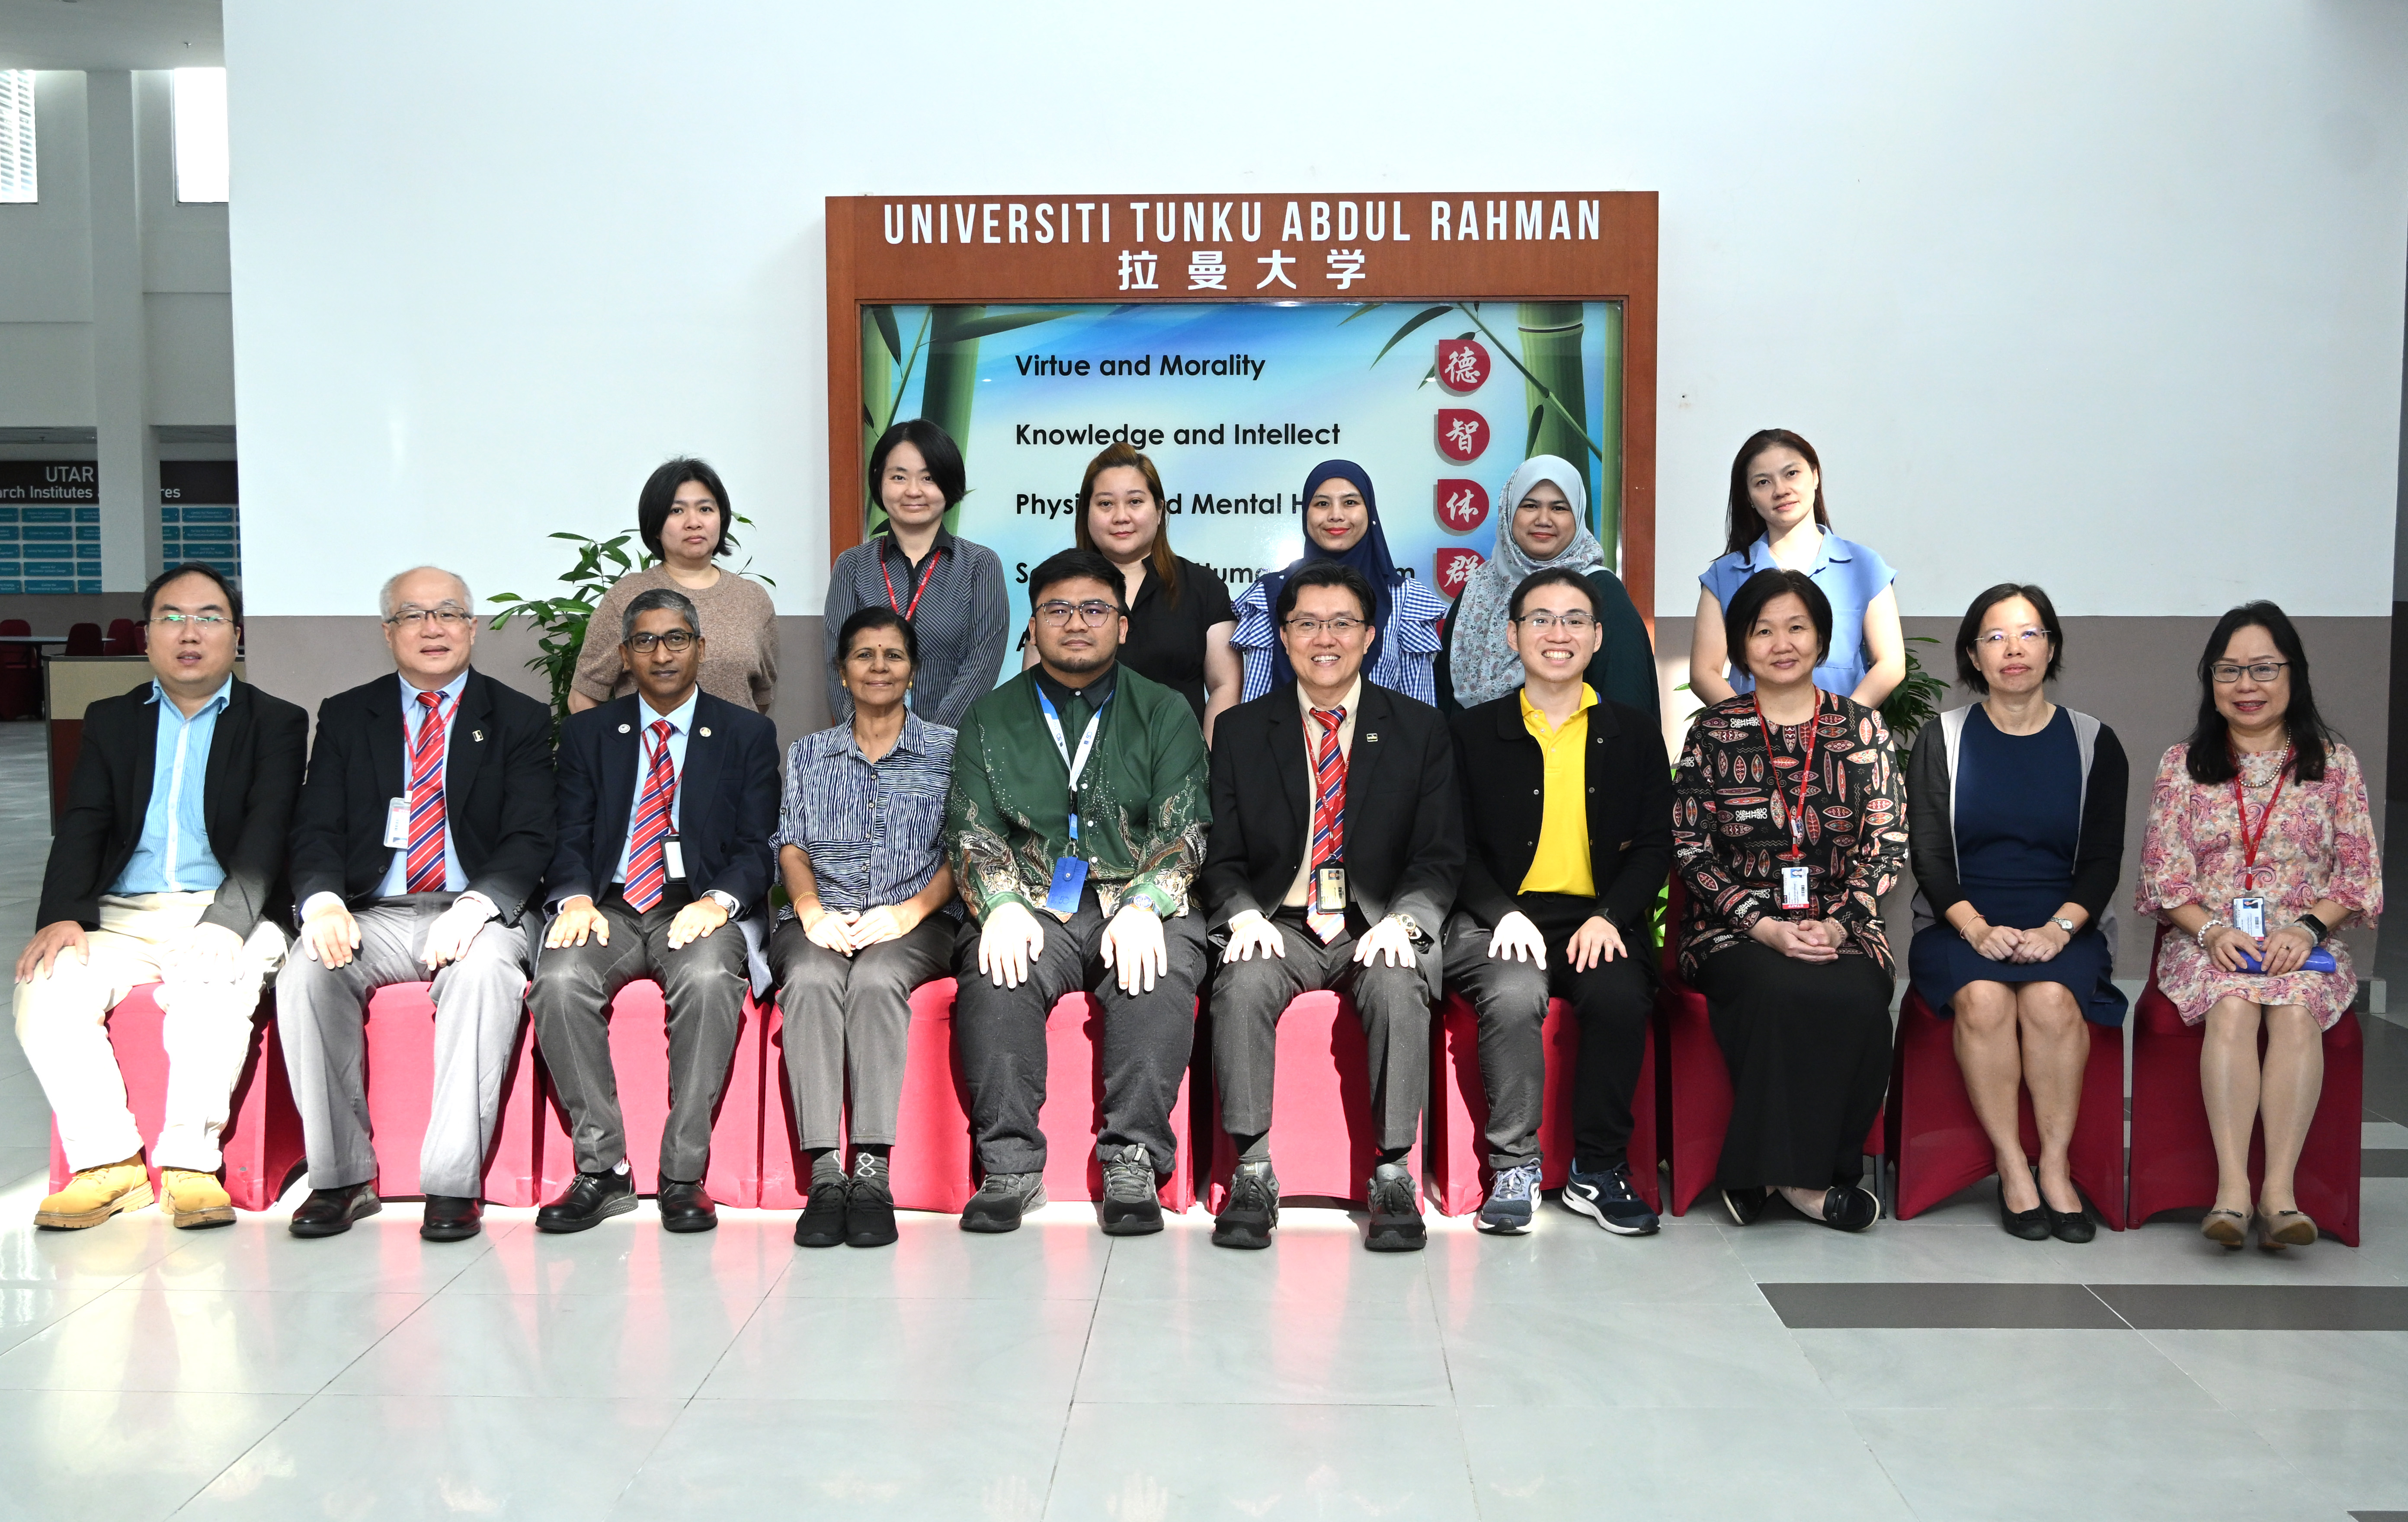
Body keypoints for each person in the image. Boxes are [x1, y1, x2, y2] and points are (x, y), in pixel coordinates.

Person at [14, 563, 307, 1229]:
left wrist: (227, 921)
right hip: (121, 914)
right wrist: (60, 915)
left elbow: (267, 834)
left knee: (214, 983)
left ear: (236, 635)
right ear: (146, 636)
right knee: (45, 985)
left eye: (208, 618)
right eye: (171, 618)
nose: (189, 633)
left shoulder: (276, 722)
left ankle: (190, 1163)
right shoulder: (111, 720)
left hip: (227, 906)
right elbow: (83, 824)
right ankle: (109, 1162)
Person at [277, 566, 557, 1242]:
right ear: (388, 632)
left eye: (448, 613)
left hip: (477, 912)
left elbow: (531, 835)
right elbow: (315, 826)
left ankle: (452, 1184)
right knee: (307, 971)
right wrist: (322, 903)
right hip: (374, 911)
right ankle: (340, 1178)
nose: (433, 628)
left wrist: (478, 906)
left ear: (472, 627)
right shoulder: (349, 715)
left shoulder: (518, 717)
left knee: (485, 973)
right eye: (413, 615)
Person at [945, 548, 1210, 1237]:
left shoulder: (1166, 711)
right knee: (995, 972)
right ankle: (1009, 1168)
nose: (1076, 623)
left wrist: (1148, 903)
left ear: (1122, 625)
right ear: (1032, 626)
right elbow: (972, 831)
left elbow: (1186, 827)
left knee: (1158, 972)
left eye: (1095, 609)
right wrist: (1000, 905)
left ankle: (1133, 1161)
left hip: (1135, 896)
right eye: (1057, 610)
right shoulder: (988, 718)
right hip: (1034, 898)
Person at [1201, 561, 1463, 1253]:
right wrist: (1242, 913)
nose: (1326, 639)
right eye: (1307, 624)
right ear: (1283, 637)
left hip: (1374, 923)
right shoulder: (1241, 731)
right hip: (1279, 921)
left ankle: (1394, 1174)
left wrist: (1405, 921)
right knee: (1242, 982)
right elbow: (1219, 853)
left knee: (1398, 983)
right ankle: (1252, 1171)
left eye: (1342, 623)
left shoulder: (1419, 729)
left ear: (1371, 636)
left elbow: (1439, 854)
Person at [530, 588, 779, 1234]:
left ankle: (683, 1175)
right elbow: (567, 833)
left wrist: (718, 901)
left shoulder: (746, 733)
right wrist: (574, 895)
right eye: (644, 641)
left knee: (708, 978)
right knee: (558, 981)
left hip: (696, 906)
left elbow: (759, 846)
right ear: (624, 655)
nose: (661, 654)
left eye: (676, 639)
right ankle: (603, 1168)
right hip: (607, 906)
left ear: (700, 647)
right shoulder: (588, 734)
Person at [2136, 601, 2379, 1250]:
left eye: (2264, 668)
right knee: (2234, 1004)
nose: (2246, 685)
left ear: (2294, 674)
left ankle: (2280, 1195)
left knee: (2296, 1009)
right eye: (2229, 670)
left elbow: (2358, 875)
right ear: (2211, 681)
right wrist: (2214, 932)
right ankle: (2232, 1194)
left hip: (2305, 939)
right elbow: (2164, 879)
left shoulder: (2334, 764)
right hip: (2207, 940)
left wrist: (2308, 929)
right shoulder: (2182, 764)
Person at [1672, 567, 1905, 1232]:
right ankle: (1810, 1184)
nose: (1782, 644)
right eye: (1763, 631)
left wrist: (1839, 925)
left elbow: (1888, 844)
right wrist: (1764, 926)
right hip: (1732, 929)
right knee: (1778, 987)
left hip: (1843, 924)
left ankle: (1764, 1175)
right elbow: (1690, 847)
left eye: (1797, 628)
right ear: (1741, 648)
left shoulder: (1861, 730)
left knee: (1858, 996)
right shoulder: (1714, 732)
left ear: (1822, 639)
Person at [1444, 566, 1671, 1236]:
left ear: (1598, 637)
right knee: (1514, 992)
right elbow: (1452, 846)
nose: (1557, 633)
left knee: (1620, 994)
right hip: (1500, 917)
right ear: (1512, 636)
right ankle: (1514, 1166)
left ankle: (1597, 1169)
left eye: (1575, 620)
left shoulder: (1634, 733)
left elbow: (1655, 845)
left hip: (1597, 917)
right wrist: (1502, 913)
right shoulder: (1471, 733)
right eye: (1540, 619)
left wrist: (1613, 916)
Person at [1906, 584, 2126, 1244]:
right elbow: (1929, 856)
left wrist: (2059, 930)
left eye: (2029, 633)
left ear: (2051, 647)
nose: (2014, 649)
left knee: (2052, 1002)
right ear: (1973, 656)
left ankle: (2055, 1167)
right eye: (1996, 637)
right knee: (1984, 999)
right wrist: (1976, 928)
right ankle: (2012, 1167)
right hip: (1960, 923)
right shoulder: (1942, 738)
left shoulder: (2094, 742)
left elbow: (2102, 861)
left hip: (2064, 924)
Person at [772, 607, 958, 1250]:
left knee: (877, 979)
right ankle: (827, 1173)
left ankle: (873, 1168)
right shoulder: (810, 754)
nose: (879, 667)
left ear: (914, 670)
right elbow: (792, 845)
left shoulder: (947, 750)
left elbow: (963, 852)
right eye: (864, 655)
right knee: (809, 977)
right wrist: (811, 910)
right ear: (842, 670)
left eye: (894, 655)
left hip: (917, 922)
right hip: (823, 916)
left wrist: (909, 912)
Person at [1021, 441, 1240, 739]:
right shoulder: (1056, 586)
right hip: (1071, 762)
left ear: (1159, 510)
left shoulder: (1203, 586)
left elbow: (1225, 686)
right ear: (1086, 513)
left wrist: (1206, 763)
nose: (1121, 517)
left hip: (1178, 761)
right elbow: (1033, 687)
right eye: (1106, 504)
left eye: (1135, 502)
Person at [1435, 454, 1657, 726]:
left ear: (1578, 516)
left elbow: (1626, 705)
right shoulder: (1481, 588)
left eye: (1559, 508)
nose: (1543, 519)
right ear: (1508, 512)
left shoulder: (1600, 592)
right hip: (1471, 746)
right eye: (1530, 506)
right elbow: (1443, 691)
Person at [1688, 429, 1903, 708]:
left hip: (1843, 728)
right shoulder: (1725, 574)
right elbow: (1704, 673)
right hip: (1753, 732)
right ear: (1749, 497)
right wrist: (1748, 725)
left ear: (1815, 476)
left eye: (1791, 474)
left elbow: (1890, 663)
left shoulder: (1864, 566)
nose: (1781, 490)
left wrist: (1845, 722)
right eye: (1763, 482)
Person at [825, 419, 1009, 727]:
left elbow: (982, 665)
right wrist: (869, 737)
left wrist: (932, 742)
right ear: (879, 481)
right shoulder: (852, 566)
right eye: (899, 477)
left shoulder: (981, 565)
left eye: (929, 478)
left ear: (949, 483)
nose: (913, 491)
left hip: (952, 745)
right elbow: (838, 663)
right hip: (866, 747)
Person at [1230, 460, 1451, 706]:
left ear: (1370, 512)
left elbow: (1419, 713)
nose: (1336, 515)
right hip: (1286, 730)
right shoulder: (1269, 595)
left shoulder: (1406, 599)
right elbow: (1255, 708)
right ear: (1306, 514)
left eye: (1350, 503)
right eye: (1322, 504)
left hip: (1383, 732)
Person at [571, 457, 778, 713]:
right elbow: (585, 696)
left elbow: (761, 697)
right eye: (676, 511)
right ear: (656, 526)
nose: (694, 522)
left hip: (733, 740)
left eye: (705, 509)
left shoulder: (753, 598)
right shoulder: (625, 596)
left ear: (722, 519)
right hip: (651, 741)